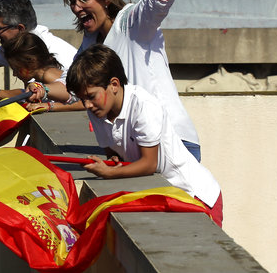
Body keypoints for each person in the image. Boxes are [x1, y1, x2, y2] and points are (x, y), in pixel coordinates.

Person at [62, 0, 209, 161]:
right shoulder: (89, 45)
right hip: (136, 151)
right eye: (73, 2)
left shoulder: (131, 23)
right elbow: (73, 87)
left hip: (171, 143)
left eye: (84, 0)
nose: (77, 8)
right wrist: (41, 92)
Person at [67, 44, 222, 226]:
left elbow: (149, 163)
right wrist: (112, 161)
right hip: (163, 193)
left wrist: (109, 172)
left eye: (91, 96)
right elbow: (114, 153)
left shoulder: (143, 105)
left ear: (114, 85)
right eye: (82, 99)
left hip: (194, 194)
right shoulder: (98, 111)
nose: (87, 105)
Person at [0, 31, 73, 109]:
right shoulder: (42, 76)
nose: (15, 74)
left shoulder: (49, 75)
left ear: (31, 62)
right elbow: (25, 94)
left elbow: (67, 92)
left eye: (16, 68)